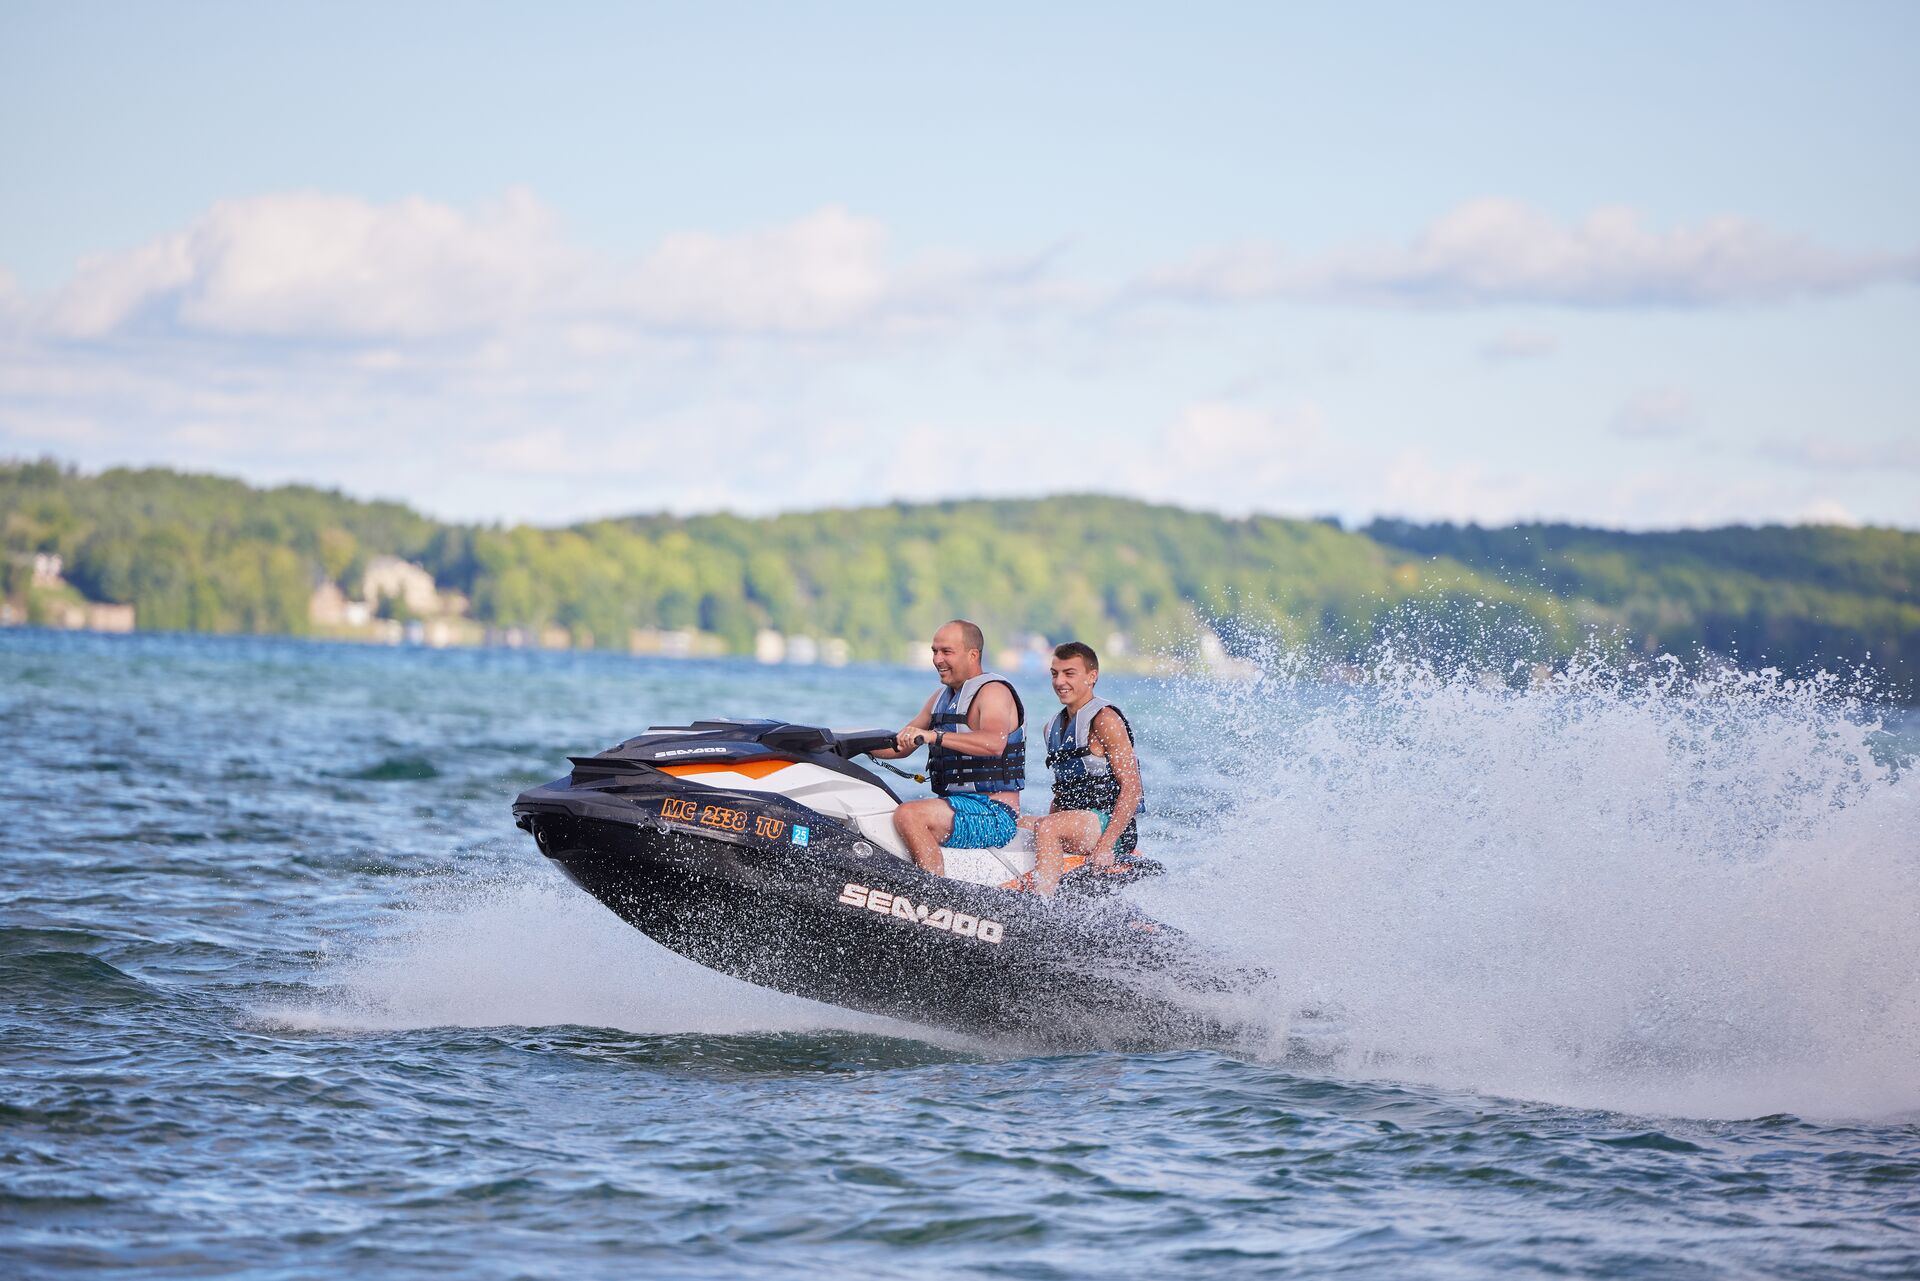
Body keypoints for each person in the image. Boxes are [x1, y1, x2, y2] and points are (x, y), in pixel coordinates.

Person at [872, 619, 1027, 876]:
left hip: (994, 814)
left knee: (909, 815)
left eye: (946, 652)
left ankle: (934, 897)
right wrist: (846, 746)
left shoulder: (994, 692)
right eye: (934, 651)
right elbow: (902, 745)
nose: (937, 659)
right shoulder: (940, 699)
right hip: (957, 804)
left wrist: (935, 736)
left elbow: (993, 743)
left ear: (972, 654)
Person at [1024, 641, 1145, 896]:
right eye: (1054, 674)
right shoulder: (1052, 727)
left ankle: (1041, 907)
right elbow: (1062, 792)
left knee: (1047, 828)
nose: (1059, 682)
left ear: (1092, 677)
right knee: (1016, 824)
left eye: (1069, 673)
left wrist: (1107, 845)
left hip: (1107, 825)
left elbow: (1132, 789)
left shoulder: (1105, 720)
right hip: (1075, 822)